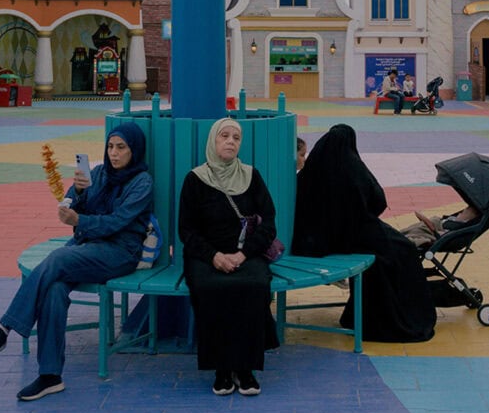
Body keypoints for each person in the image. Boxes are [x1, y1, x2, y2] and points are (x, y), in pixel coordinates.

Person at [0, 123, 153, 401]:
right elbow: (73, 199)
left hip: (118, 253)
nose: (114, 154)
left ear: (134, 150)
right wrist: (76, 196)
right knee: (55, 287)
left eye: (121, 147)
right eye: (110, 146)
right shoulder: (99, 173)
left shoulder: (142, 182)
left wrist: (80, 220)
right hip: (86, 248)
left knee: (58, 258)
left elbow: (118, 223)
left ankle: (4, 328)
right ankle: (50, 376)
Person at [291, 123, 436, 342]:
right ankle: (407, 316)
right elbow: (377, 201)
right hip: (359, 234)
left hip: (320, 241)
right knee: (403, 250)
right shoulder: (352, 167)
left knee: (386, 256)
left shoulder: (312, 171)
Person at [179, 118, 280, 396]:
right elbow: (186, 230)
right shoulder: (195, 179)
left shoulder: (251, 176)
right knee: (211, 287)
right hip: (206, 256)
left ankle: (245, 367)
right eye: (224, 136)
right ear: (213, 141)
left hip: (247, 254)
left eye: (236, 137)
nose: (230, 142)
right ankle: (222, 368)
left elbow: (269, 222)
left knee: (254, 285)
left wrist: (244, 254)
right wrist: (214, 256)